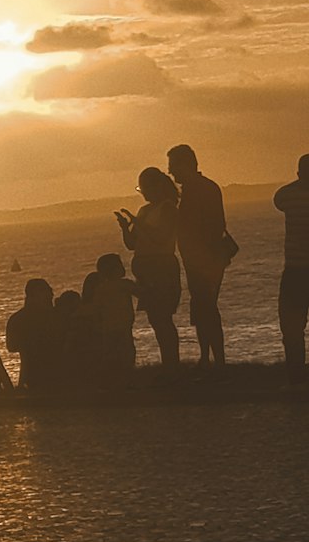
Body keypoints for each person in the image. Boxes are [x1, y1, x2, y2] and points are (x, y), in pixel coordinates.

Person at [167, 144, 232, 372]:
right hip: (198, 261)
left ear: (185, 165)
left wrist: (204, 255)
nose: (170, 172)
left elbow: (213, 226)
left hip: (205, 261)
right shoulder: (200, 189)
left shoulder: (200, 190)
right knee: (203, 309)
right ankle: (207, 358)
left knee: (207, 310)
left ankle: (217, 362)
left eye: (173, 166)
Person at [116, 167, 181, 373]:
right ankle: (168, 365)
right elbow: (132, 245)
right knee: (155, 318)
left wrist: (138, 224)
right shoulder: (144, 211)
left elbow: (161, 238)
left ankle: (173, 364)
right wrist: (126, 228)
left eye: (144, 188)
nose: (143, 193)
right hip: (146, 270)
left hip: (162, 268)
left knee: (163, 318)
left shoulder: (169, 208)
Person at [274, 153, 309, 387]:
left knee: (292, 326)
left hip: (296, 270)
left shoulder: (288, 196)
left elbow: (278, 200)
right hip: (296, 270)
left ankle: (296, 377)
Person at [86, 252, 136, 387]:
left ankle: (109, 380)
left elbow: (96, 309)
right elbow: (140, 291)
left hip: (107, 328)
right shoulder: (124, 285)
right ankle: (127, 378)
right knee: (127, 353)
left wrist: (97, 324)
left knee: (109, 354)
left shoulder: (101, 289)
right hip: (123, 326)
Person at [6, 278, 59, 395]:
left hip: (35, 375)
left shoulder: (18, 318)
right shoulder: (53, 316)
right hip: (38, 374)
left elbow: (12, 346)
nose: (51, 295)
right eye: (46, 292)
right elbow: (13, 346)